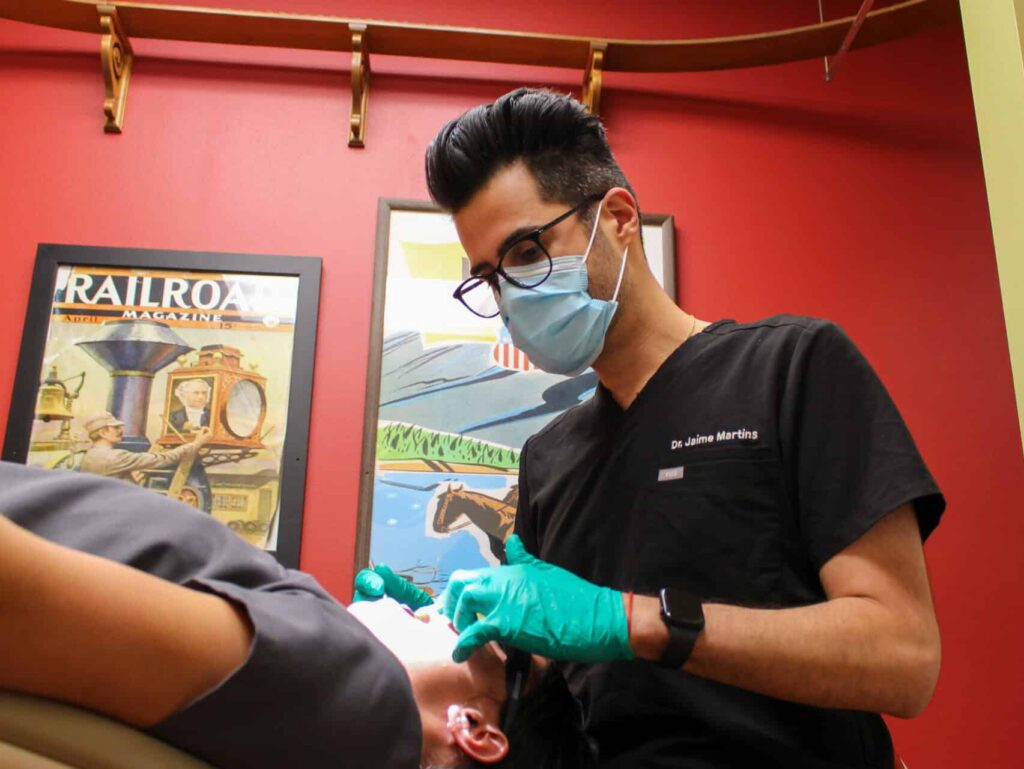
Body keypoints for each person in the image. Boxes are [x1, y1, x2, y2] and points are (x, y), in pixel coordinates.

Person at [425, 88, 945, 768]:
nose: (511, 293)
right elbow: (569, 702)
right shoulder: (548, 460)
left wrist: (635, 621)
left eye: (527, 250)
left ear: (616, 219)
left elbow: (903, 658)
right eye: (491, 277)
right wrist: (481, 655)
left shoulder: (790, 369)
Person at [0, 460, 593, 769]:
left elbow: (19, 606)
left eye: (494, 636)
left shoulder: (361, 697)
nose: (450, 606)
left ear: (471, 730)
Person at [79, 410, 210, 481]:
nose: (121, 430)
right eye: (116, 427)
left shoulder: (88, 456)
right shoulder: (117, 457)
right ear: (103, 432)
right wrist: (196, 443)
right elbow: (163, 459)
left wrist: (127, 480)